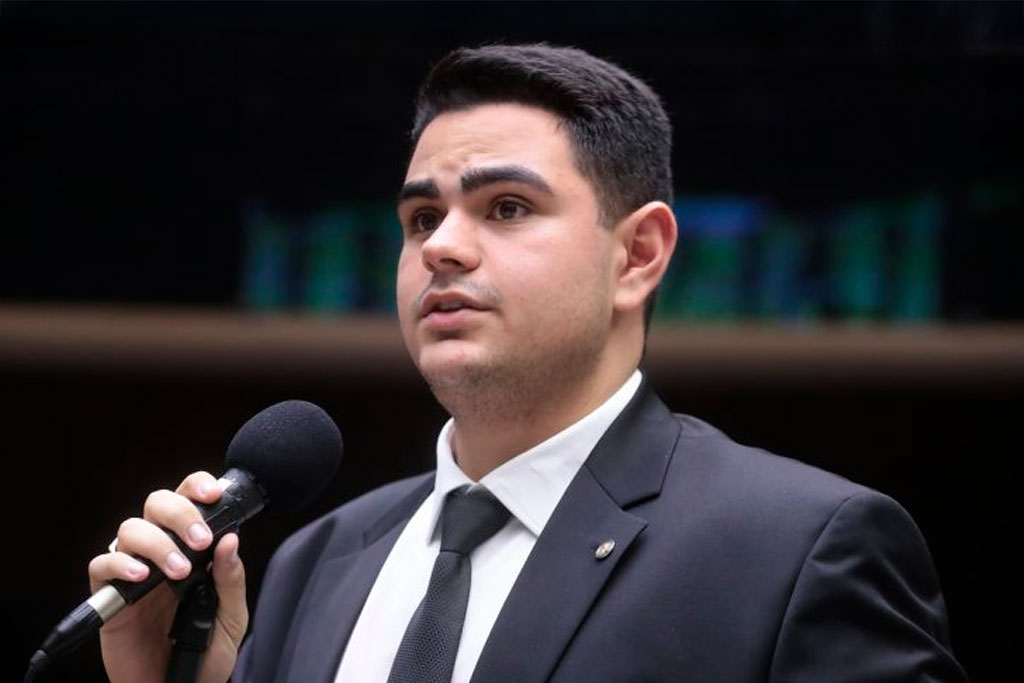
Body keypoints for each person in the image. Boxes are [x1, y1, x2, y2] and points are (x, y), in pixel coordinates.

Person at [88, 44, 966, 682]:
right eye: (422, 219)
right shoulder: (320, 558)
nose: (444, 249)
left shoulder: (799, 546)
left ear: (639, 254)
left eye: (506, 207)